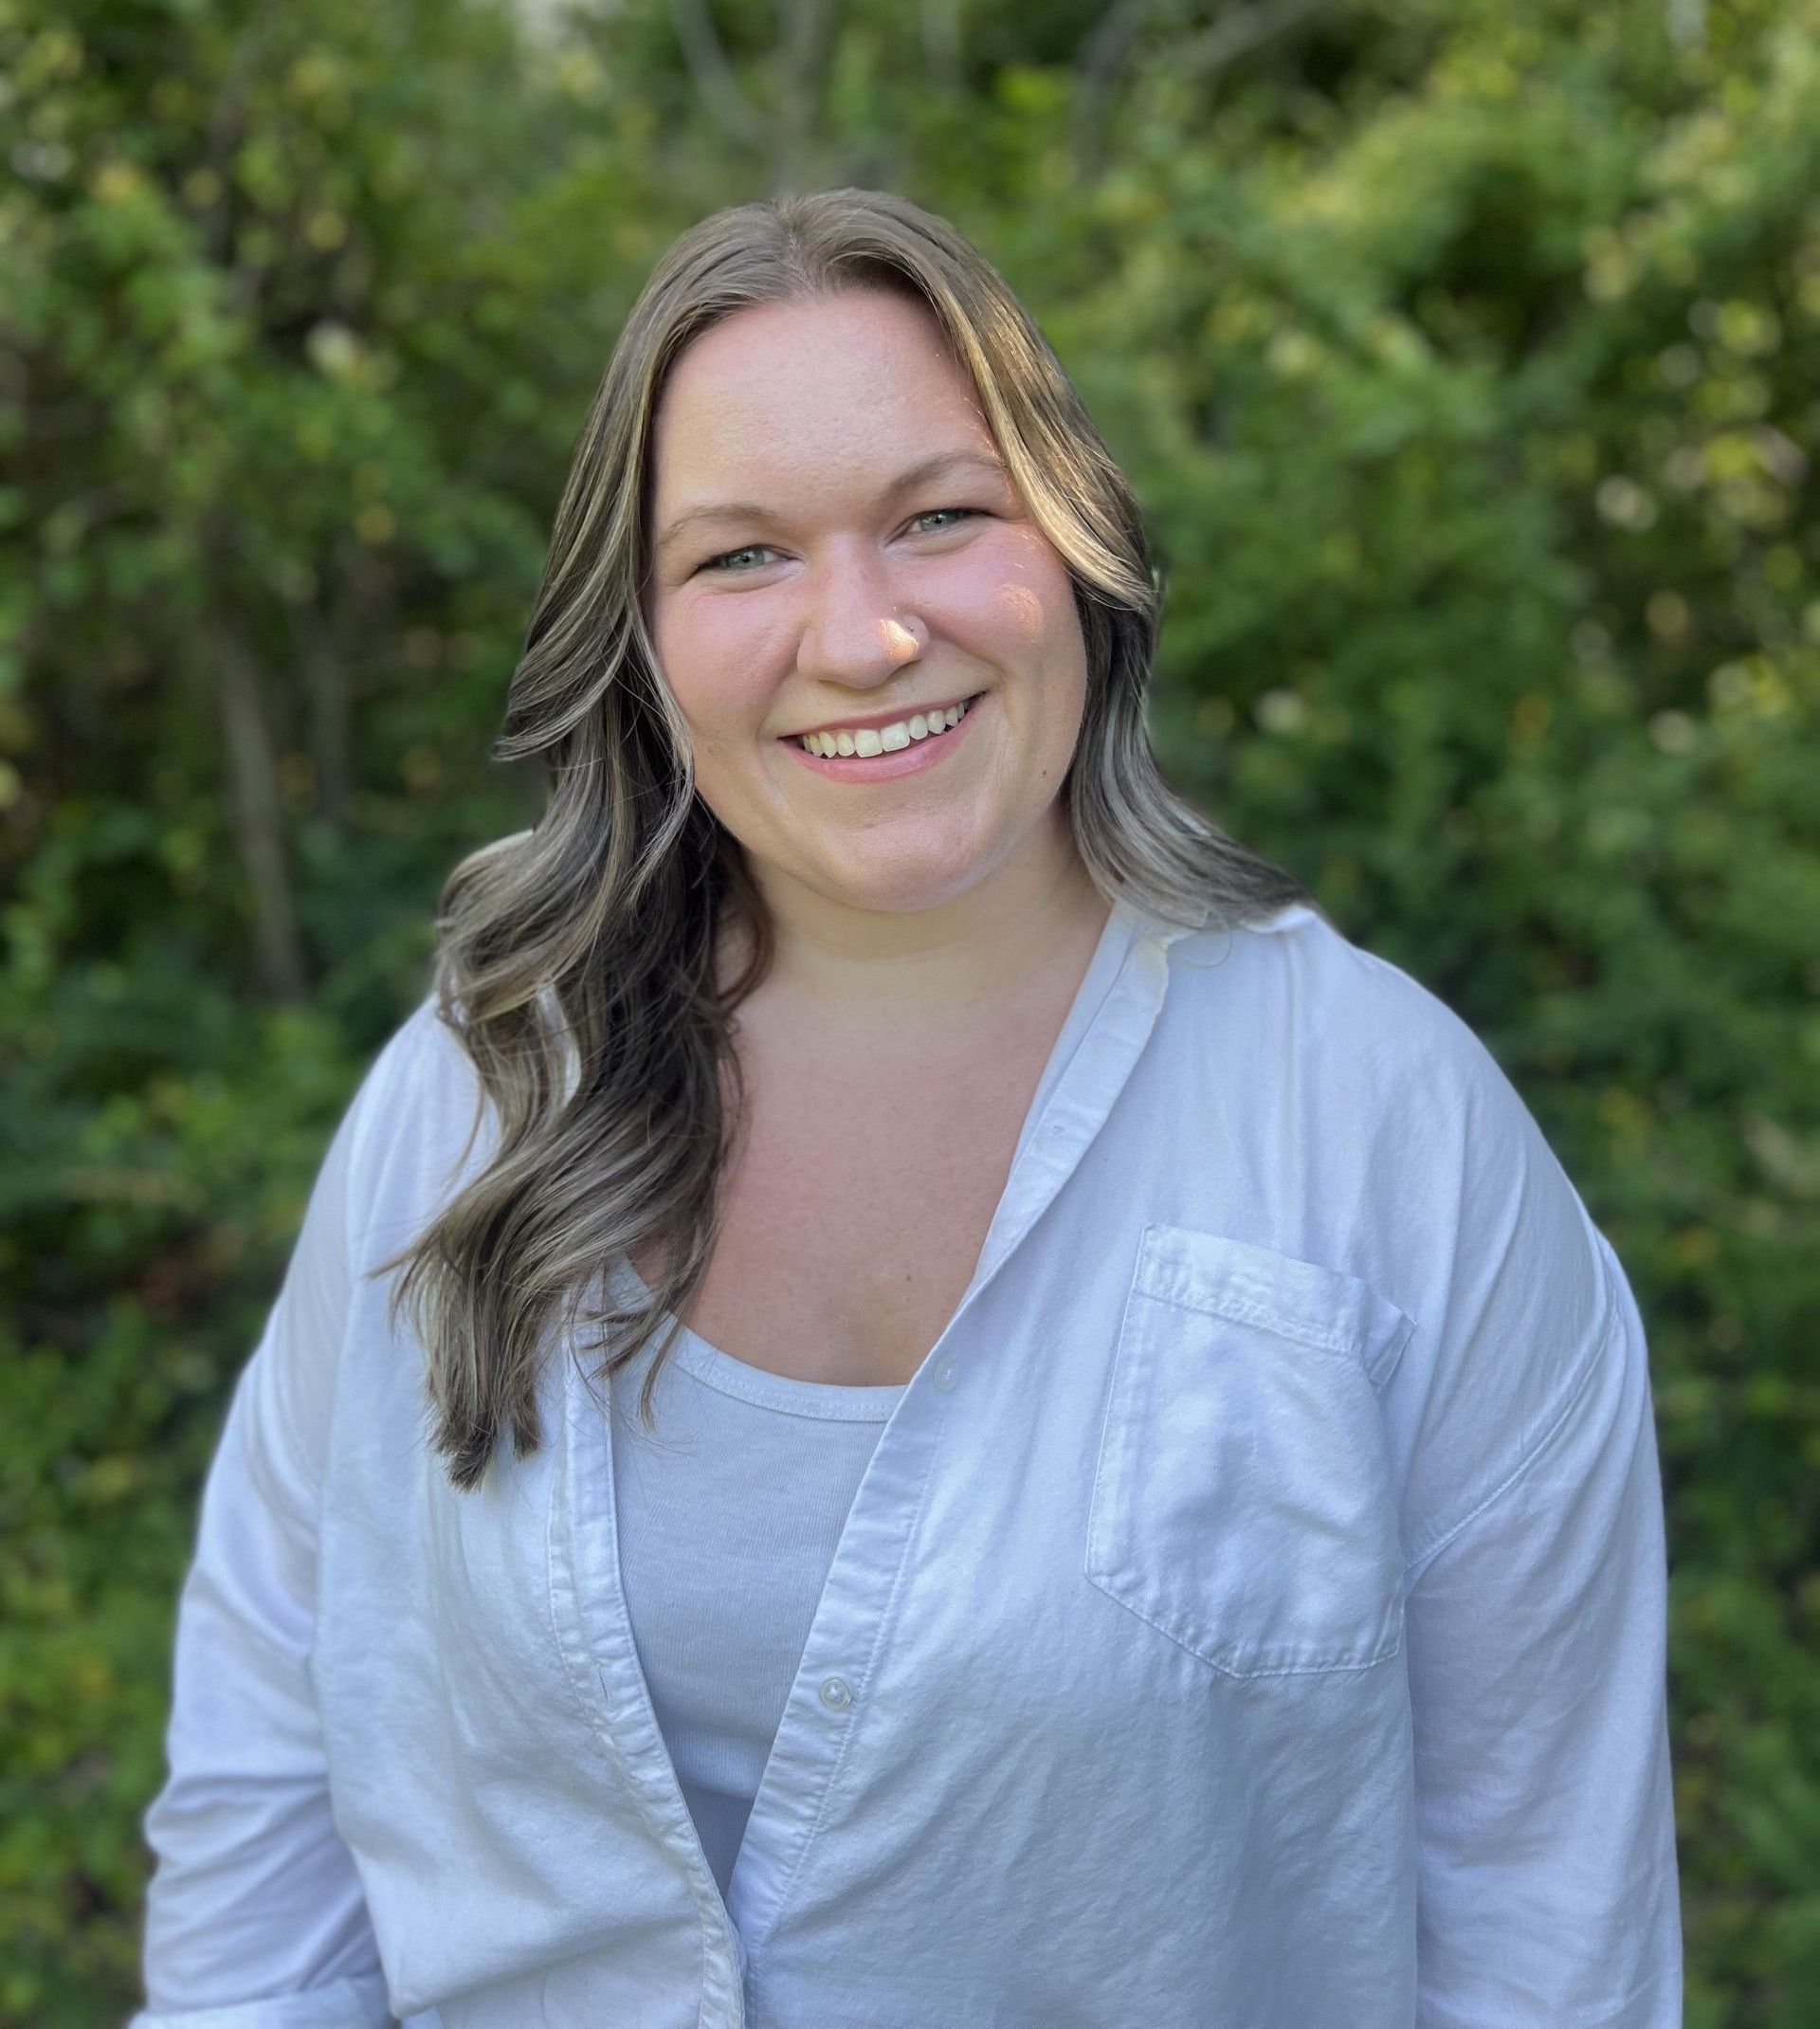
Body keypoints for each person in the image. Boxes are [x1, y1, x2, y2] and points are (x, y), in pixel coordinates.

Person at [132, 187, 1683, 2028]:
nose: (862, 635)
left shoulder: (1383, 1129)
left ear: (1078, 549)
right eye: (742, 556)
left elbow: (1545, 1921)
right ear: (637, 633)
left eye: (940, 517)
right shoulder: (467, 1105)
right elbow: (267, 1789)